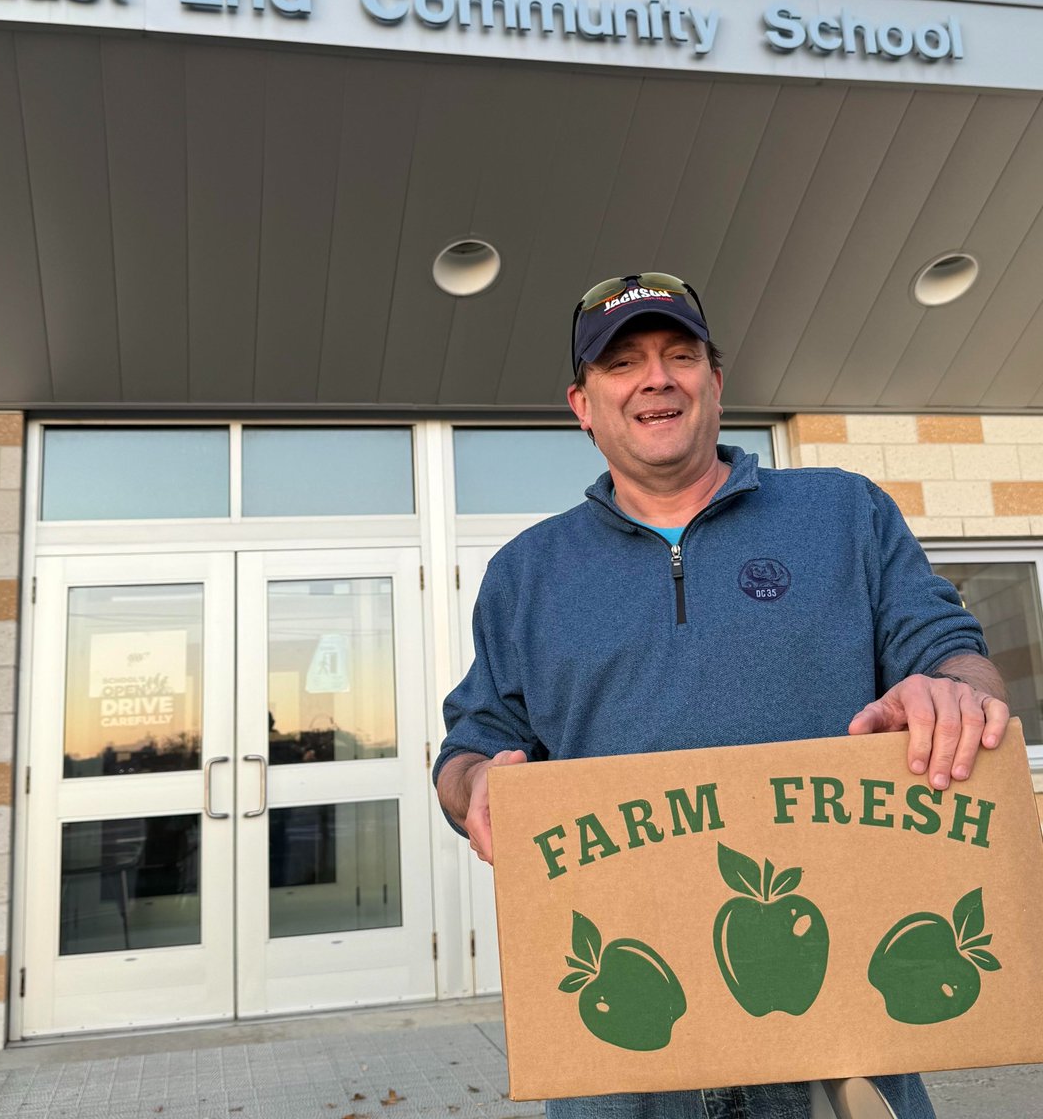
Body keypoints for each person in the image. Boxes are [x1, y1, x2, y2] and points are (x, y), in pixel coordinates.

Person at [433, 272, 1010, 1119]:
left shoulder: (843, 514)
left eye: (680, 355)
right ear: (582, 405)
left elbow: (955, 652)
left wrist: (955, 694)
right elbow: (468, 746)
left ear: (716, 382)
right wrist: (477, 786)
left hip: (837, 1030)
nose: (656, 378)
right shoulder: (527, 574)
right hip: (624, 1041)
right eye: (622, 363)